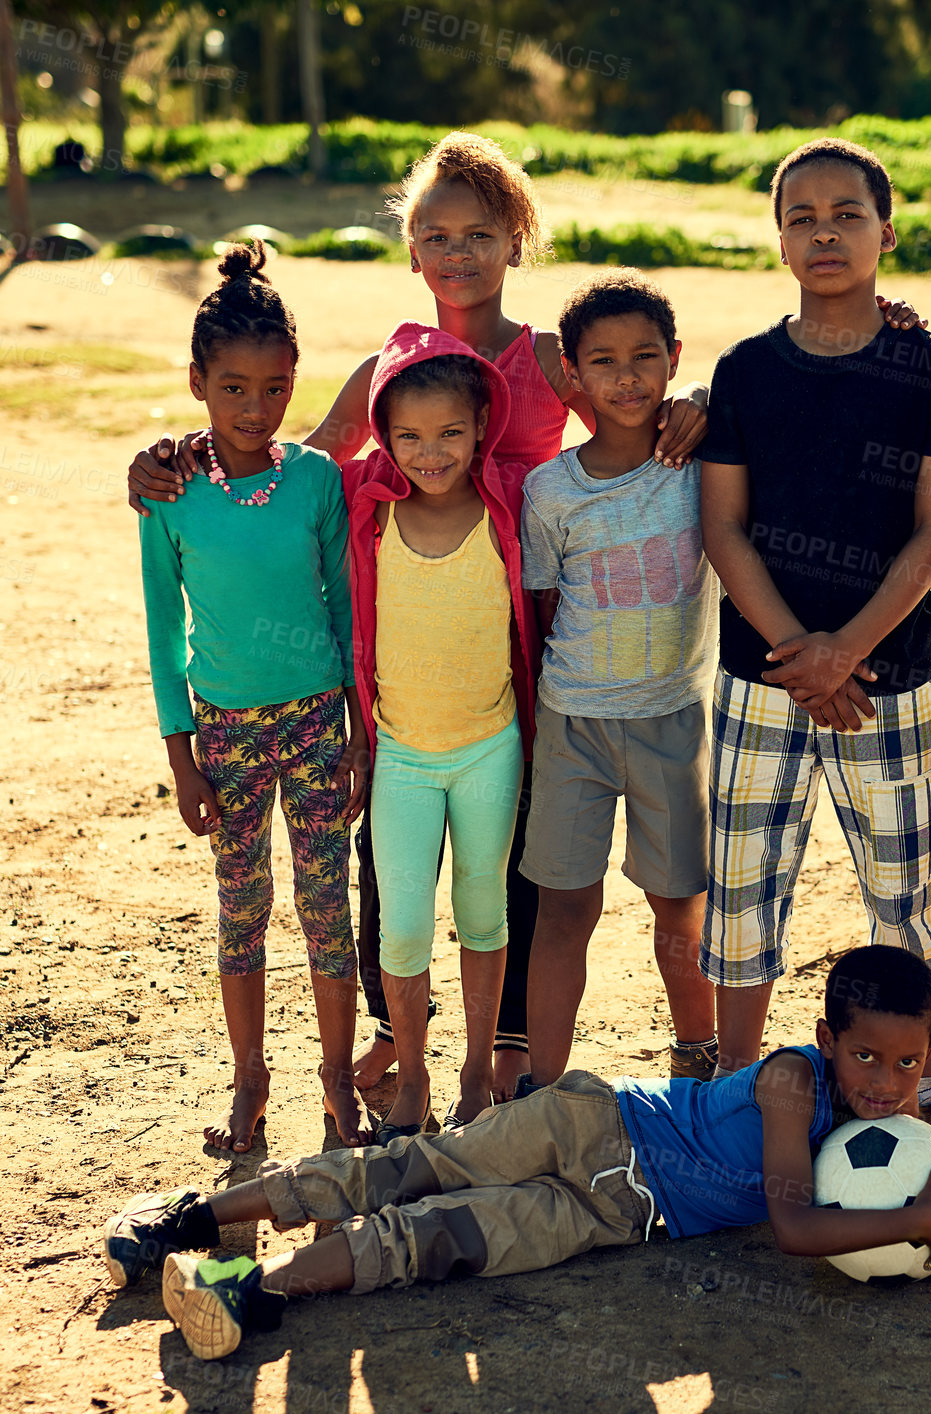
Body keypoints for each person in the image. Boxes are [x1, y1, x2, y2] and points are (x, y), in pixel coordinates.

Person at [125, 133, 711, 1101]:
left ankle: (510, 1043)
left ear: (516, 239)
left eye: (480, 232)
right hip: (418, 635)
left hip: (538, 628)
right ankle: (404, 1037)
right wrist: (181, 455)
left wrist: (695, 398)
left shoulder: (551, 357)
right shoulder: (387, 367)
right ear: (409, 249)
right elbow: (294, 468)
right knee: (386, 854)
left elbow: (630, 396)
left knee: (514, 848)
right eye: (435, 234)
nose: (458, 252)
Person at [102, 945, 931, 1362]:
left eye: (907, 1062)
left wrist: (913, 1224)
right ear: (827, 1039)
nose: (887, 1082)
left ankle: (248, 1292)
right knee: (409, 1168)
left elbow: (826, 1211)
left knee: (438, 1241)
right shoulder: (793, 1083)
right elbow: (792, 1225)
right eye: (866, 1056)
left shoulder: (880, 1137)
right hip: (593, 1126)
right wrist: (916, 1219)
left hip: (616, 1217)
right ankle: (189, 1218)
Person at [695, 137, 931, 1183]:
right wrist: (803, 655)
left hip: (889, 683)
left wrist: (848, 654)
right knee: (743, 892)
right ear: (777, 235)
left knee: (909, 895)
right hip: (762, 683)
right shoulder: (744, 371)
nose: (823, 232)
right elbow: (724, 529)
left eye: (846, 213)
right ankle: (735, 1089)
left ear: (887, 230)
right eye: (800, 214)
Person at [137, 241, 369, 1152]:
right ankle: (250, 1081)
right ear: (197, 381)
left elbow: (347, 609)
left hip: (316, 724)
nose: (255, 407)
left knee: (326, 909)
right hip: (225, 734)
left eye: (274, 388)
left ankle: (335, 1082)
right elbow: (163, 631)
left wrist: (359, 728)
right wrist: (181, 755)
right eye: (233, 388)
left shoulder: (315, 480)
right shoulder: (172, 491)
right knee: (242, 909)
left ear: (293, 380)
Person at [517, 270, 718, 1088]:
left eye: (645, 357)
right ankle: (543, 1082)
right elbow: (544, 606)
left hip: (672, 719)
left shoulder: (703, 465)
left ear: (673, 360)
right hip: (574, 725)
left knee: (679, 907)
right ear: (572, 374)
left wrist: (706, 395)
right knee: (565, 908)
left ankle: (699, 1058)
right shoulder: (549, 490)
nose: (626, 377)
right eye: (602, 361)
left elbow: (744, 387)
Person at [341, 321, 537, 1138]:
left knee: (485, 910)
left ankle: (475, 1071)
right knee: (404, 922)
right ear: (383, 435)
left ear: (482, 428)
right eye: (410, 436)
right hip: (403, 757)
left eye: (451, 433)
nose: (431, 452)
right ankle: (414, 1077)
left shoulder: (511, 501)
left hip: (491, 748)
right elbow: (269, 474)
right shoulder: (363, 506)